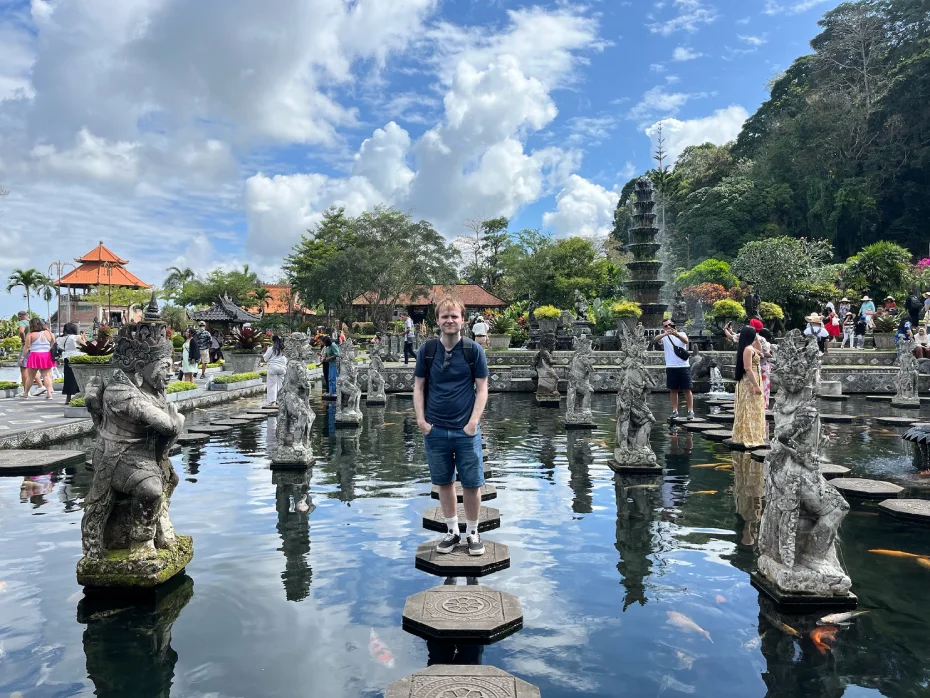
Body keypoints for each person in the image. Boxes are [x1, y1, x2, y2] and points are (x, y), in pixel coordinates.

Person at [414, 296, 489, 557]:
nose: (449, 320)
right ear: (437, 321)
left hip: (464, 429)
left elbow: (482, 389)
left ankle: (472, 531)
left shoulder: (472, 350)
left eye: (454, 316)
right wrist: (422, 421)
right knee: (443, 482)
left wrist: (473, 423)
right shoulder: (428, 350)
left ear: (462, 320)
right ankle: (452, 530)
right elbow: (419, 387)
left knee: (472, 483)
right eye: (444, 316)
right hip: (435, 429)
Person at [731, 326, 766, 448]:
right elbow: (747, 368)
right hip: (749, 382)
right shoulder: (747, 350)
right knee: (748, 408)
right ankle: (746, 435)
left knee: (756, 408)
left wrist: (756, 338)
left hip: (756, 379)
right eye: (754, 334)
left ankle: (756, 434)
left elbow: (761, 352)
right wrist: (756, 385)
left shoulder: (751, 348)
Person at [654, 318, 694, 420]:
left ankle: (690, 411)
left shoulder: (682, 333)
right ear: (663, 327)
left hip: (683, 366)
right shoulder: (664, 337)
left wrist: (677, 335)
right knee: (673, 389)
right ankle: (675, 411)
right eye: (665, 326)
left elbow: (686, 341)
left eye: (669, 325)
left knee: (687, 389)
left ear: (674, 324)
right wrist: (664, 334)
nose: (668, 327)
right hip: (671, 366)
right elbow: (655, 340)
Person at [21, 318, 56, 399]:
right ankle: (49, 394)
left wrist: (22, 357)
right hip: (46, 355)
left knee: (31, 376)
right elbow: (53, 342)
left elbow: (27, 346)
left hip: (34, 355)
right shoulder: (48, 333)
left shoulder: (30, 334)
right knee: (47, 376)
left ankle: (26, 393)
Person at [56, 323, 85, 403]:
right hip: (78, 358)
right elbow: (84, 345)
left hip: (67, 358)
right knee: (79, 377)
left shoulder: (60, 338)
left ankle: (68, 398)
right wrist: (83, 338)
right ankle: (79, 395)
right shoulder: (76, 337)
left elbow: (60, 347)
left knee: (68, 378)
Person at [262, 335, 287, 406]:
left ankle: (272, 402)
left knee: (272, 385)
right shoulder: (284, 349)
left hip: (273, 367)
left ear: (273, 341)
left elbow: (265, 358)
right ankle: (280, 400)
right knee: (281, 385)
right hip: (282, 368)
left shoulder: (271, 349)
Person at [758, 328, 775, 411]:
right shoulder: (766, 343)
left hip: (757, 367)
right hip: (764, 368)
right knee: (765, 389)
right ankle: (764, 406)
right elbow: (767, 354)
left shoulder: (753, 343)